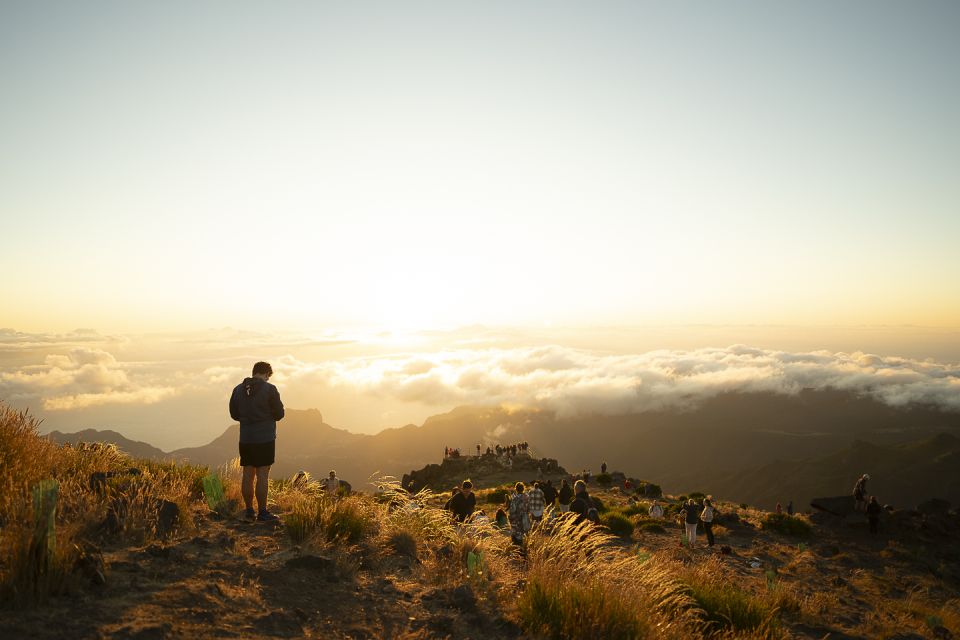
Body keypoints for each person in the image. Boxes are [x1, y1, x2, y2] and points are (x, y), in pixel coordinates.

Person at [229, 361, 285, 522]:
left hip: (245, 438)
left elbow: (234, 414)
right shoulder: (270, 389)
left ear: (254, 372)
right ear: (267, 374)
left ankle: (248, 511)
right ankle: (262, 512)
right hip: (265, 438)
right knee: (262, 475)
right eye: (268, 377)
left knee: (247, 474)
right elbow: (279, 414)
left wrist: (247, 420)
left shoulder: (238, 389)